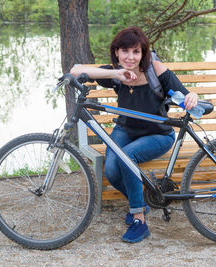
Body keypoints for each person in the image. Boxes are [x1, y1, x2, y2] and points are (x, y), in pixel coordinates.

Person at [70, 26, 198, 243]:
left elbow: (185, 93)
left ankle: (139, 218)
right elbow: (75, 70)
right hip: (125, 130)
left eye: (136, 52)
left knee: (126, 158)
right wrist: (115, 73)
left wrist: (192, 95)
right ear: (117, 52)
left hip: (158, 134)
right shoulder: (116, 73)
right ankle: (143, 200)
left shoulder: (155, 70)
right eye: (125, 51)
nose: (130, 57)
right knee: (111, 169)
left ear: (143, 53)